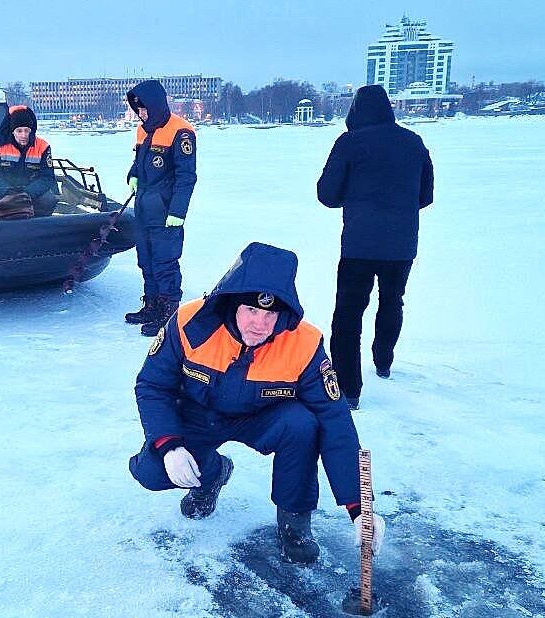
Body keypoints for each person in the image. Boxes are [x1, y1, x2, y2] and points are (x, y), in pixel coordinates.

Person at [128, 242, 385, 564]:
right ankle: (212, 474)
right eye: (251, 310)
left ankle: (295, 522)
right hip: (198, 414)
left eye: (270, 313)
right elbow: (152, 385)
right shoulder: (188, 323)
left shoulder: (304, 343)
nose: (259, 324)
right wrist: (169, 446)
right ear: (232, 303)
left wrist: (359, 506)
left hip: (264, 417)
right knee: (151, 472)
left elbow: (335, 421)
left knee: (303, 424)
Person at [317, 85, 434, 411]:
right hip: (401, 245)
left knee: (348, 314)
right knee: (392, 301)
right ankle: (384, 362)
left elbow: (326, 194)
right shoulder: (414, 143)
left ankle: (349, 390)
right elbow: (425, 196)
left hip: (358, 245)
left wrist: (354, 198)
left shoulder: (349, 143)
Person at [123, 80, 198, 337]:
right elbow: (139, 162)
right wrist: (133, 175)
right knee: (146, 260)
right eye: (137, 110)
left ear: (154, 105)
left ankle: (168, 311)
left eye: (143, 109)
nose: (140, 114)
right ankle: (152, 305)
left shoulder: (181, 132)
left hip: (166, 212)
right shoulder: (142, 131)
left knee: (165, 262)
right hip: (144, 207)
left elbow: (186, 176)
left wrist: (178, 211)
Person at [0, 105, 59, 218]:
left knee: (49, 200)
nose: (23, 135)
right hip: (6, 190)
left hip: (32, 191)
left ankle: (40, 225)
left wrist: (27, 193)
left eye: (27, 131)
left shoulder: (43, 146)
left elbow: (48, 177)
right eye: (19, 131)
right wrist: (8, 192)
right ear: (12, 131)